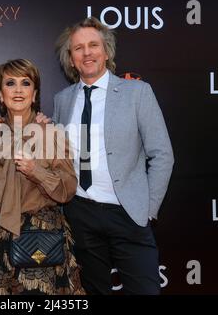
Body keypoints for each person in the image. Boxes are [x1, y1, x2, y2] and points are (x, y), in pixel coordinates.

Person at [53, 17, 174, 295]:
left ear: (106, 51)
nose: (87, 53)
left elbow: (162, 155)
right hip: (80, 212)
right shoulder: (62, 99)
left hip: (128, 213)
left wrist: (147, 209)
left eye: (93, 45)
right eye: (78, 48)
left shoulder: (138, 93)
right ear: (71, 59)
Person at [0, 59, 85, 295]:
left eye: (25, 83)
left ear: (34, 93)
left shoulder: (51, 134)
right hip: (2, 238)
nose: (18, 90)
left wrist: (36, 171)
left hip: (43, 237)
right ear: (0, 95)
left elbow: (68, 188)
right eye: (10, 83)